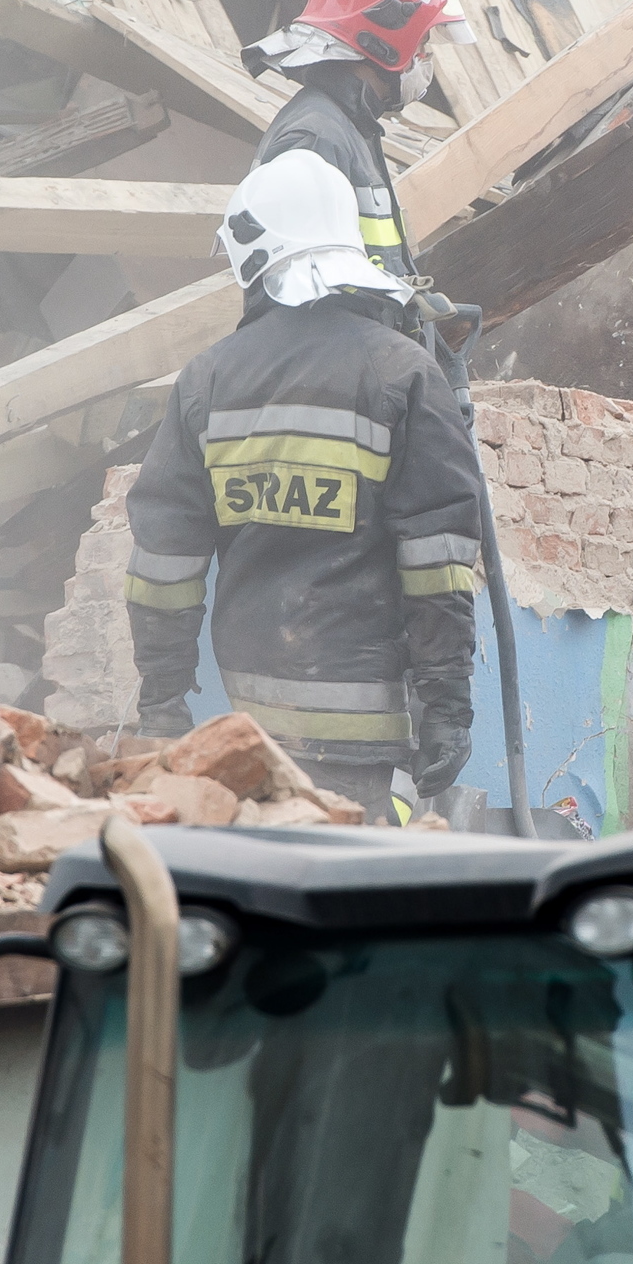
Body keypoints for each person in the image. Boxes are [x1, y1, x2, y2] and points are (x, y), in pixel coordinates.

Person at [121, 150, 482, 822]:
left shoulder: (208, 380)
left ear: (252, 256)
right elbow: (438, 556)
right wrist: (447, 704)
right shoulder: (402, 372)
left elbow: (164, 560)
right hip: (366, 731)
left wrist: (162, 700)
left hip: (250, 725)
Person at [249, 0, 478, 279]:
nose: (424, 58)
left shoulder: (351, 128)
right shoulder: (316, 140)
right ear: (385, 43)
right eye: (422, 44)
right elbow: (307, 294)